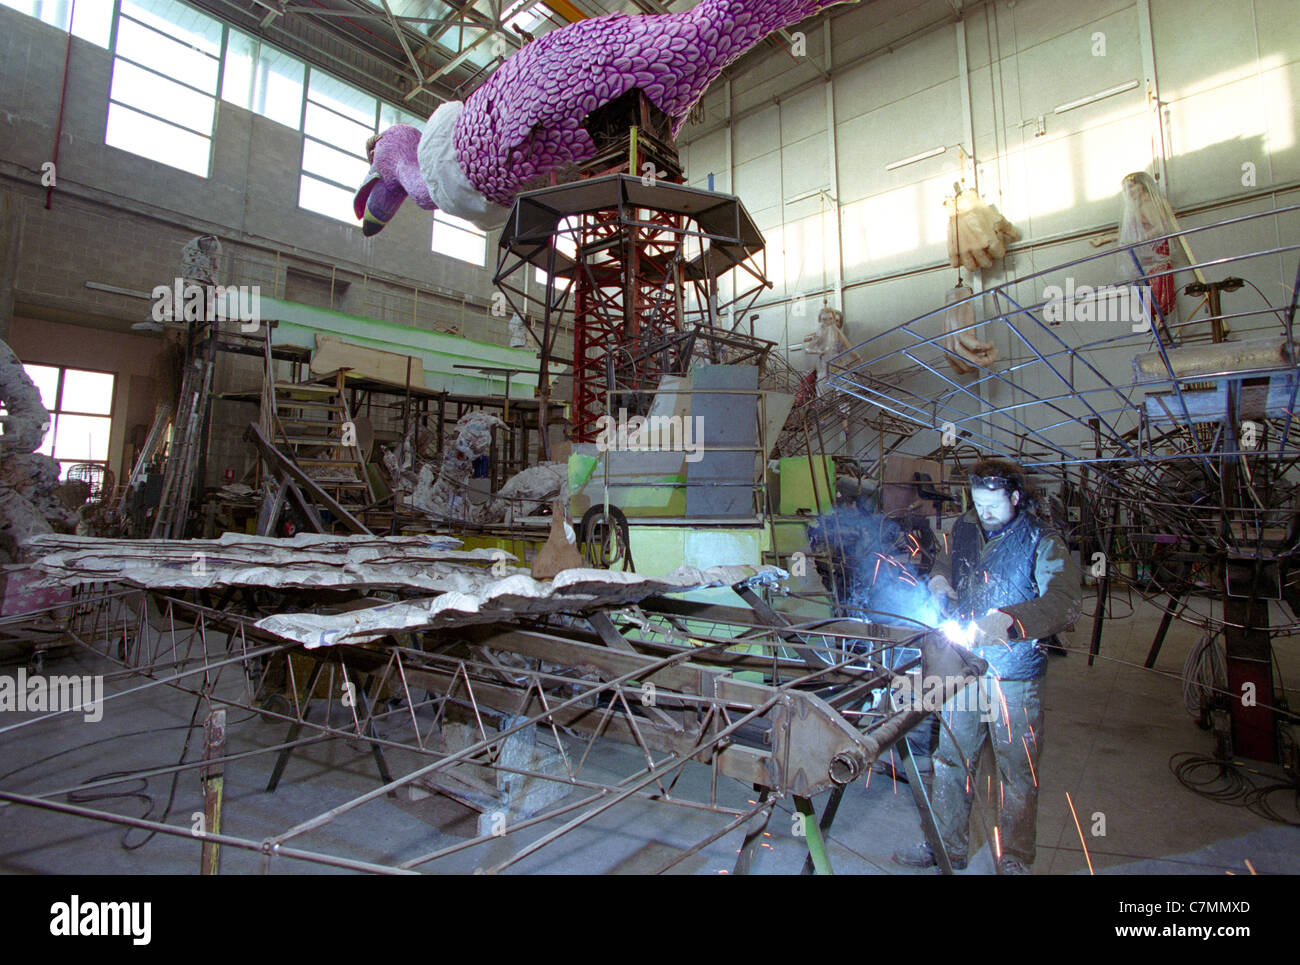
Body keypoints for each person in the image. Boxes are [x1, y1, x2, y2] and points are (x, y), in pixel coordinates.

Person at [892, 458, 1081, 874]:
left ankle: (1014, 859)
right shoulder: (964, 526)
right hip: (964, 665)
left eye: (994, 504)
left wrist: (1012, 621)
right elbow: (946, 561)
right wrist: (939, 578)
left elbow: (1065, 603)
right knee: (950, 759)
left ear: (1016, 497)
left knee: (1017, 772)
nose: (985, 512)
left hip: (1013, 673)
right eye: (978, 503)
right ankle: (945, 845)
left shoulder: (1041, 539)